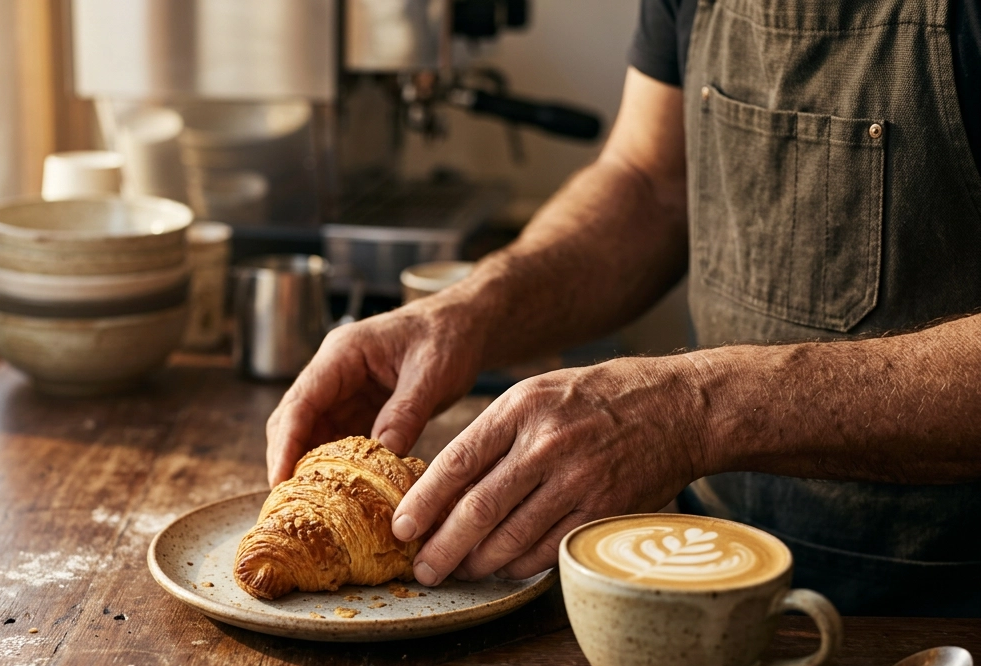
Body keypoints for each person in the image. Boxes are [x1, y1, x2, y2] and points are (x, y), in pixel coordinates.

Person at [267, 0, 981, 616]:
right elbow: (650, 184)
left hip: (945, 614)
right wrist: (469, 312)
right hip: (700, 571)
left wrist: (694, 409)